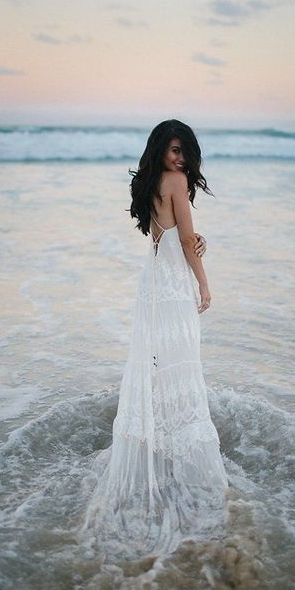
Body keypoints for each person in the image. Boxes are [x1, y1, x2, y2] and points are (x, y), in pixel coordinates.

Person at [80, 120, 229, 560]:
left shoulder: (150, 184)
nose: (180, 159)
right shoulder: (178, 182)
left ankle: (158, 450)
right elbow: (184, 239)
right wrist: (203, 282)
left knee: (161, 363)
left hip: (152, 282)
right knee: (182, 363)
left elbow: (164, 236)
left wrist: (192, 243)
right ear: (162, 150)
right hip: (173, 283)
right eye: (174, 150)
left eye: (184, 151)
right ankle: (178, 457)